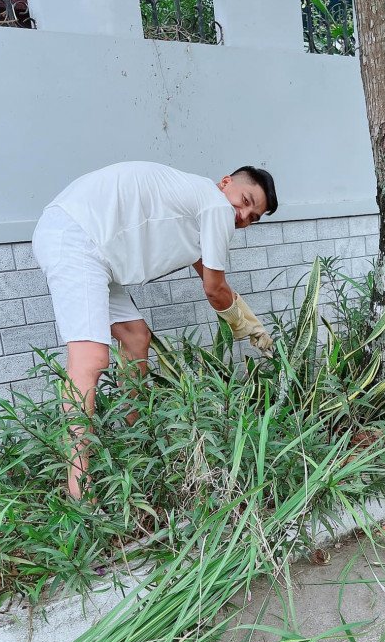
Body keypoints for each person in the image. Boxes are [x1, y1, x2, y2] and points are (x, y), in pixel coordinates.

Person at [31, 160, 278, 498]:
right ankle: (80, 489)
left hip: (94, 248)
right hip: (78, 236)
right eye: (246, 202)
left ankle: (138, 439)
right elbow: (214, 288)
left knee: (136, 337)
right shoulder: (214, 204)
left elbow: (208, 274)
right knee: (90, 360)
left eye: (253, 217)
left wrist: (247, 321)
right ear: (225, 183)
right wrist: (250, 329)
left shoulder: (198, 204)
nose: (243, 217)